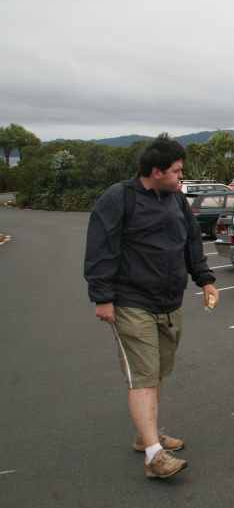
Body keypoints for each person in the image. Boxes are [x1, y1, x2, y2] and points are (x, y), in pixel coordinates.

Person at [84, 134, 218, 479]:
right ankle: (154, 457)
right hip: (132, 303)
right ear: (156, 171)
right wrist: (103, 298)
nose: (180, 177)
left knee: (157, 372)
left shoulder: (176, 200)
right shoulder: (119, 199)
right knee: (143, 375)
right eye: (176, 171)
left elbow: (191, 241)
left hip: (169, 303)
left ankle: (147, 435)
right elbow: (101, 248)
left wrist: (205, 280)